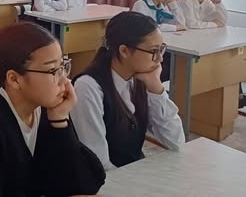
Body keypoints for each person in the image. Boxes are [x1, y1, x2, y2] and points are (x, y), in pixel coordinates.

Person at [0, 22, 106, 197]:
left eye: (62, 67)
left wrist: (60, 121)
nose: (65, 80)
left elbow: (84, 184)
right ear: (14, 79)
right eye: (52, 71)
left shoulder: (45, 109)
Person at [71, 11, 185, 171]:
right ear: (124, 51)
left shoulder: (142, 78)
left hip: (131, 171)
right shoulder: (88, 87)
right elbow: (98, 163)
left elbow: (176, 141)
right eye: (153, 51)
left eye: (161, 49)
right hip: (106, 179)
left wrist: (156, 88)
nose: (160, 59)